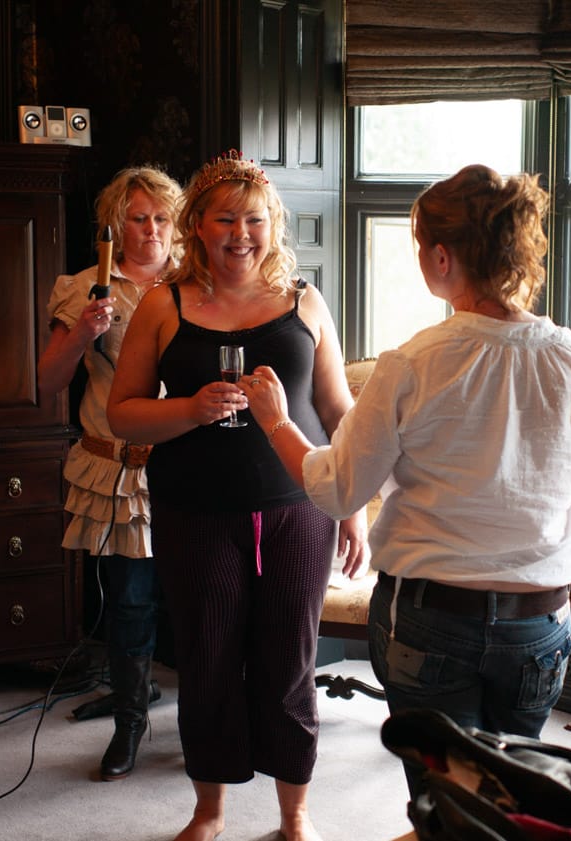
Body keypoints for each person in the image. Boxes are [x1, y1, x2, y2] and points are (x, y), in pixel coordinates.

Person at [240, 164, 571, 794]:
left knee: (447, 805)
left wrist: (275, 422)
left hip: (435, 620)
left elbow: (339, 489)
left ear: (440, 256)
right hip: (539, 622)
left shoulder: (415, 364)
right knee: (516, 801)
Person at [107, 149, 366, 841]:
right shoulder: (164, 305)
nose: (240, 233)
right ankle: (209, 810)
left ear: (272, 226)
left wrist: (353, 505)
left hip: (298, 508)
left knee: (290, 660)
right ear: (198, 225)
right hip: (197, 511)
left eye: (255, 219)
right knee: (209, 657)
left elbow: (339, 413)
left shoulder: (305, 302)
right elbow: (122, 412)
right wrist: (189, 409)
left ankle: (294, 813)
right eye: (225, 218)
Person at [36, 166, 183, 781]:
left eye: (161, 218)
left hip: (190, 465)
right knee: (128, 604)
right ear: (116, 225)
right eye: (137, 218)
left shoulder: (198, 283)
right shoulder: (86, 288)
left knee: (204, 599)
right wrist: (81, 334)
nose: (150, 230)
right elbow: (48, 380)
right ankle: (128, 724)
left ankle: (210, 721)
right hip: (121, 472)